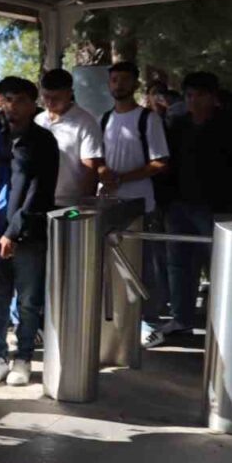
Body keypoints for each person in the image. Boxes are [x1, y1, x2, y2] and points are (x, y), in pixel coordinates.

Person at [0, 77, 59, 387]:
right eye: (7, 99)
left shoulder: (42, 141)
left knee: (28, 300)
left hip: (28, 235)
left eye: (20, 100)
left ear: (32, 103)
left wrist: (12, 232)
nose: (12, 107)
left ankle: (24, 357)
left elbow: (38, 192)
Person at [163, 71, 232, 337]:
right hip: (178, 205)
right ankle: (181, 318)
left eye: (200, 95)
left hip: (217, 208)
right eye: (189, 95)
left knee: (222, 264)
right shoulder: (177, 125)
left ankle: (226, 320)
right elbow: (168, 165)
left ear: (213, 97)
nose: (194, 101)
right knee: (178, 264)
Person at [97, 61, 171, 345]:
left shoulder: (147, 119)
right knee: (114, 265)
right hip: (110, 205)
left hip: (142, 203)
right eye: (114, 80)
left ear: (135, 84)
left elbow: (159, 161)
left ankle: (149, 322)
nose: (119, 85)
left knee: (145, 265)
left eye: (124, 80)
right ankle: (118, 320)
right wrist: (105, 175)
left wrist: (124, 178)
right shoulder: (104, 119)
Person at [35, 68, 105, 207]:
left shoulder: (85, 122)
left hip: (69, 203)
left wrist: (84, 204)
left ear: (69, 94)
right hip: (39, 199)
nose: (50, 102)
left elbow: (90, 169)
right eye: (46, 97)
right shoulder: (38, 120)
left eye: (56, 98)